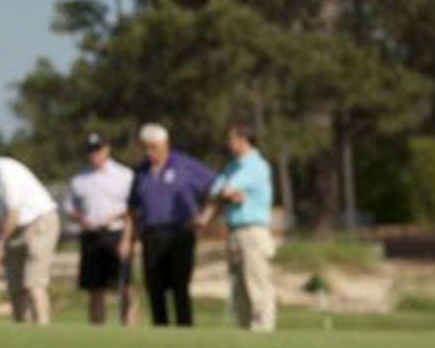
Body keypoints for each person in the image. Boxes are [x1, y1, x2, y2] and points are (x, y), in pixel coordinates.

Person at [124, 125, 215, 327]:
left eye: (153, 148)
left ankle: (184, 330)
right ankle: (160, 330)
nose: (149, 153)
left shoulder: (185, 165)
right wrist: (128, 239)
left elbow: (215, 186)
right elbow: (132, 208)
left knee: (179, 285)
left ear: (165, 145)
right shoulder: (140, 172)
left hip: (180, 232)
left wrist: (204, 216)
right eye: (145, 148)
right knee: (154, 286)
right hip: (150, 234)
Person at [0, 155, 61, 325]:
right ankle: (22, 330)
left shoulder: (4, 171)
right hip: (15, 230)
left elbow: (14, 214)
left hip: (40, 223)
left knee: (33, 283)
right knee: (15, 287)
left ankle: (42, 328)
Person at [203, 124, 279, 332]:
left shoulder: (256, 165)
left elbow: (227, 190)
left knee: (257, 282)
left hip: (253, 230)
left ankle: (262, 328)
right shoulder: (232, 167)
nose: (228, 143)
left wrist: (229, 194)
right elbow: (215, 190)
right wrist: (228, 194)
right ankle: (246, 328)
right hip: (235, 230)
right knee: (239, 286)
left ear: (244, 140)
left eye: (232, 138)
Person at [67, 133, 137, 326]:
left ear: (107, 150)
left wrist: (127, 239)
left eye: (97, 150)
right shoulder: (79, 178)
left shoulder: (124, 175)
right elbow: (70, 208)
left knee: (125, 287)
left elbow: (132, 209)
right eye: (90, 150)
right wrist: (81, 218)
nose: (94, 154)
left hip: (116, 234)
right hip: (91, 236)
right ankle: (97, 331)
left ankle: (130, 329)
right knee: (95, 289)